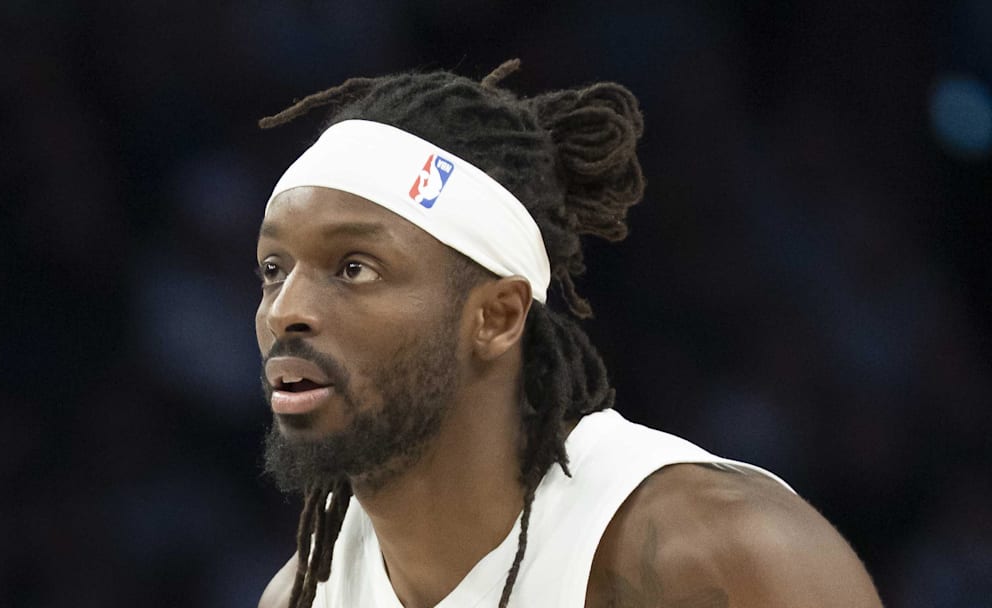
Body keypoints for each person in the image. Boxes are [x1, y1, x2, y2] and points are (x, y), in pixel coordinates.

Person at [253, 60, 882, 608]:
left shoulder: (719, 555)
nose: (285, 310)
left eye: (354, 268)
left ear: (496, 317)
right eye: (273, 270)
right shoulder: (303, 595)